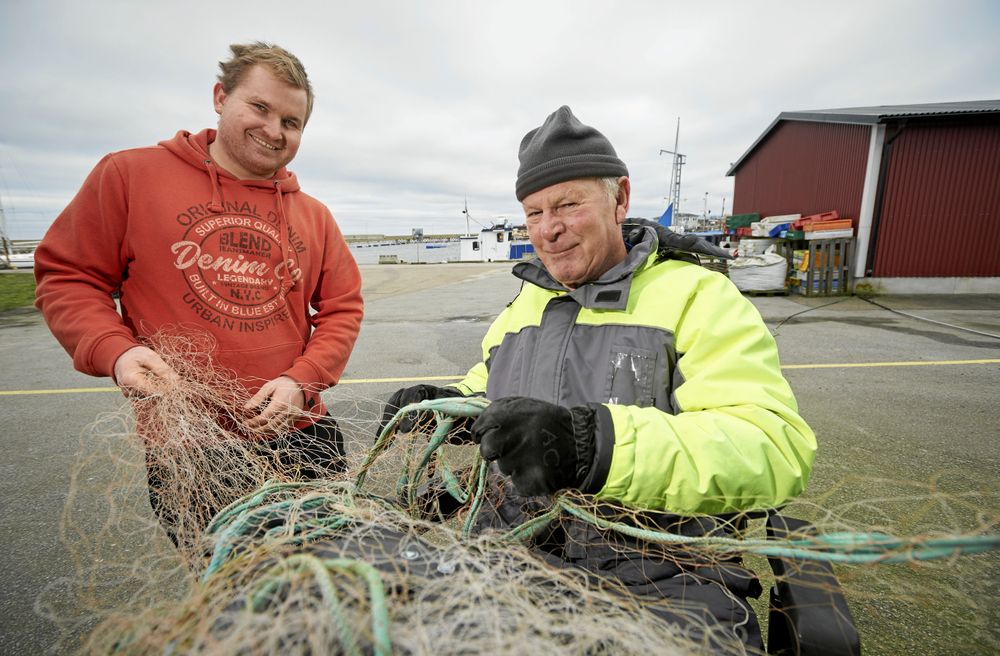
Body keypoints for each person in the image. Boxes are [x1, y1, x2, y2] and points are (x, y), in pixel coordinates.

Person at [380, 106, 816, 650]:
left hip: (663, 575)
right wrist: (448, 404)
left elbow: (773, 447)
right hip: (514, 554)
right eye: (534, 212)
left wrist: (595, 447)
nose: (548, 228)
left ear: (621, 198)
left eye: (567, 204)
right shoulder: (527, 302)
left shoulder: (699, 298)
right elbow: (487, 386)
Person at [35, 42, 364, 540]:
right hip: (191, 447)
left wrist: (303, 379)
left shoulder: (313, 214)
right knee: (236, 601)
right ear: (219, 96)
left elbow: (342, 308)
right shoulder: (128, 175)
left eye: (292, 122)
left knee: (331, 586)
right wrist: (116, 352)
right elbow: (68, 276)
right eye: (260, 107)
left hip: (303, 434)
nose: (274, 131)